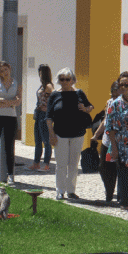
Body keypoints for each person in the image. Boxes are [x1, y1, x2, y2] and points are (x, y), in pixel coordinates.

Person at [46, 68, 93, 200]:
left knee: (73, 163)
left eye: (68, 79)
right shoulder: (54, 95)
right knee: (61, 164)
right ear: (58, 80)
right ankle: (60, 191)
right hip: (60, 134)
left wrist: (85, 108)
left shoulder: (79, 93)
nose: (65, 82)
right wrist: (51, 135)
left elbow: (90, 107)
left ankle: (71, 191)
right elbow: (48, 117)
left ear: (73, 80)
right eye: (62, 79)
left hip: (78, 133)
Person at [106, 71, 128, 210]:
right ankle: (125, 202)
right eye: (121, 85)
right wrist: (113, 147)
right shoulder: (115, 104)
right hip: (123, 144)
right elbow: (110, 127)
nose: (123, 88)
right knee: (125, 173)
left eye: (126, 85)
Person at [93, 81, 120, 202]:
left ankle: (114, 194)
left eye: (116, 94)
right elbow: (105, 120)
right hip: (107, 141)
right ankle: (109, 190)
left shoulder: (126, 104)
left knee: (116, 168)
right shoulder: (109, 102)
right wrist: (96, 134)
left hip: (120, 141)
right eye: (112, 94)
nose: (114, 97)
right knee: (103, 167)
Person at [29, 64, 54, 171]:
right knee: (38, 140)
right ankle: (36, 163)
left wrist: (47, 108)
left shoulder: (48, 86)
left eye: (41, 72)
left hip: (44, 115)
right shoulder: (41, 86)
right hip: (38, 114)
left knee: (46, 140)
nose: (39, 74)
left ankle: (46, 164)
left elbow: (53, 99)